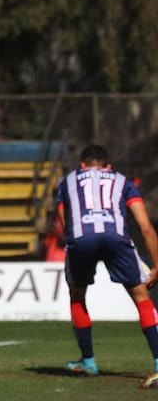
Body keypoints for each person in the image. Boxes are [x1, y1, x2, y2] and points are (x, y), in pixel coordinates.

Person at [56, 144, 158, 388]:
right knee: (141, 298)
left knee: (77, 297)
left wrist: (77, 240)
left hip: (81, 239)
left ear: (82, 165)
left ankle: (88, 361)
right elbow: (145, 227)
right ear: (108, 166)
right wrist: (156, 266)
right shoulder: (122, 181)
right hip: (116, 237)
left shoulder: (67, 181)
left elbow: (64, 223)